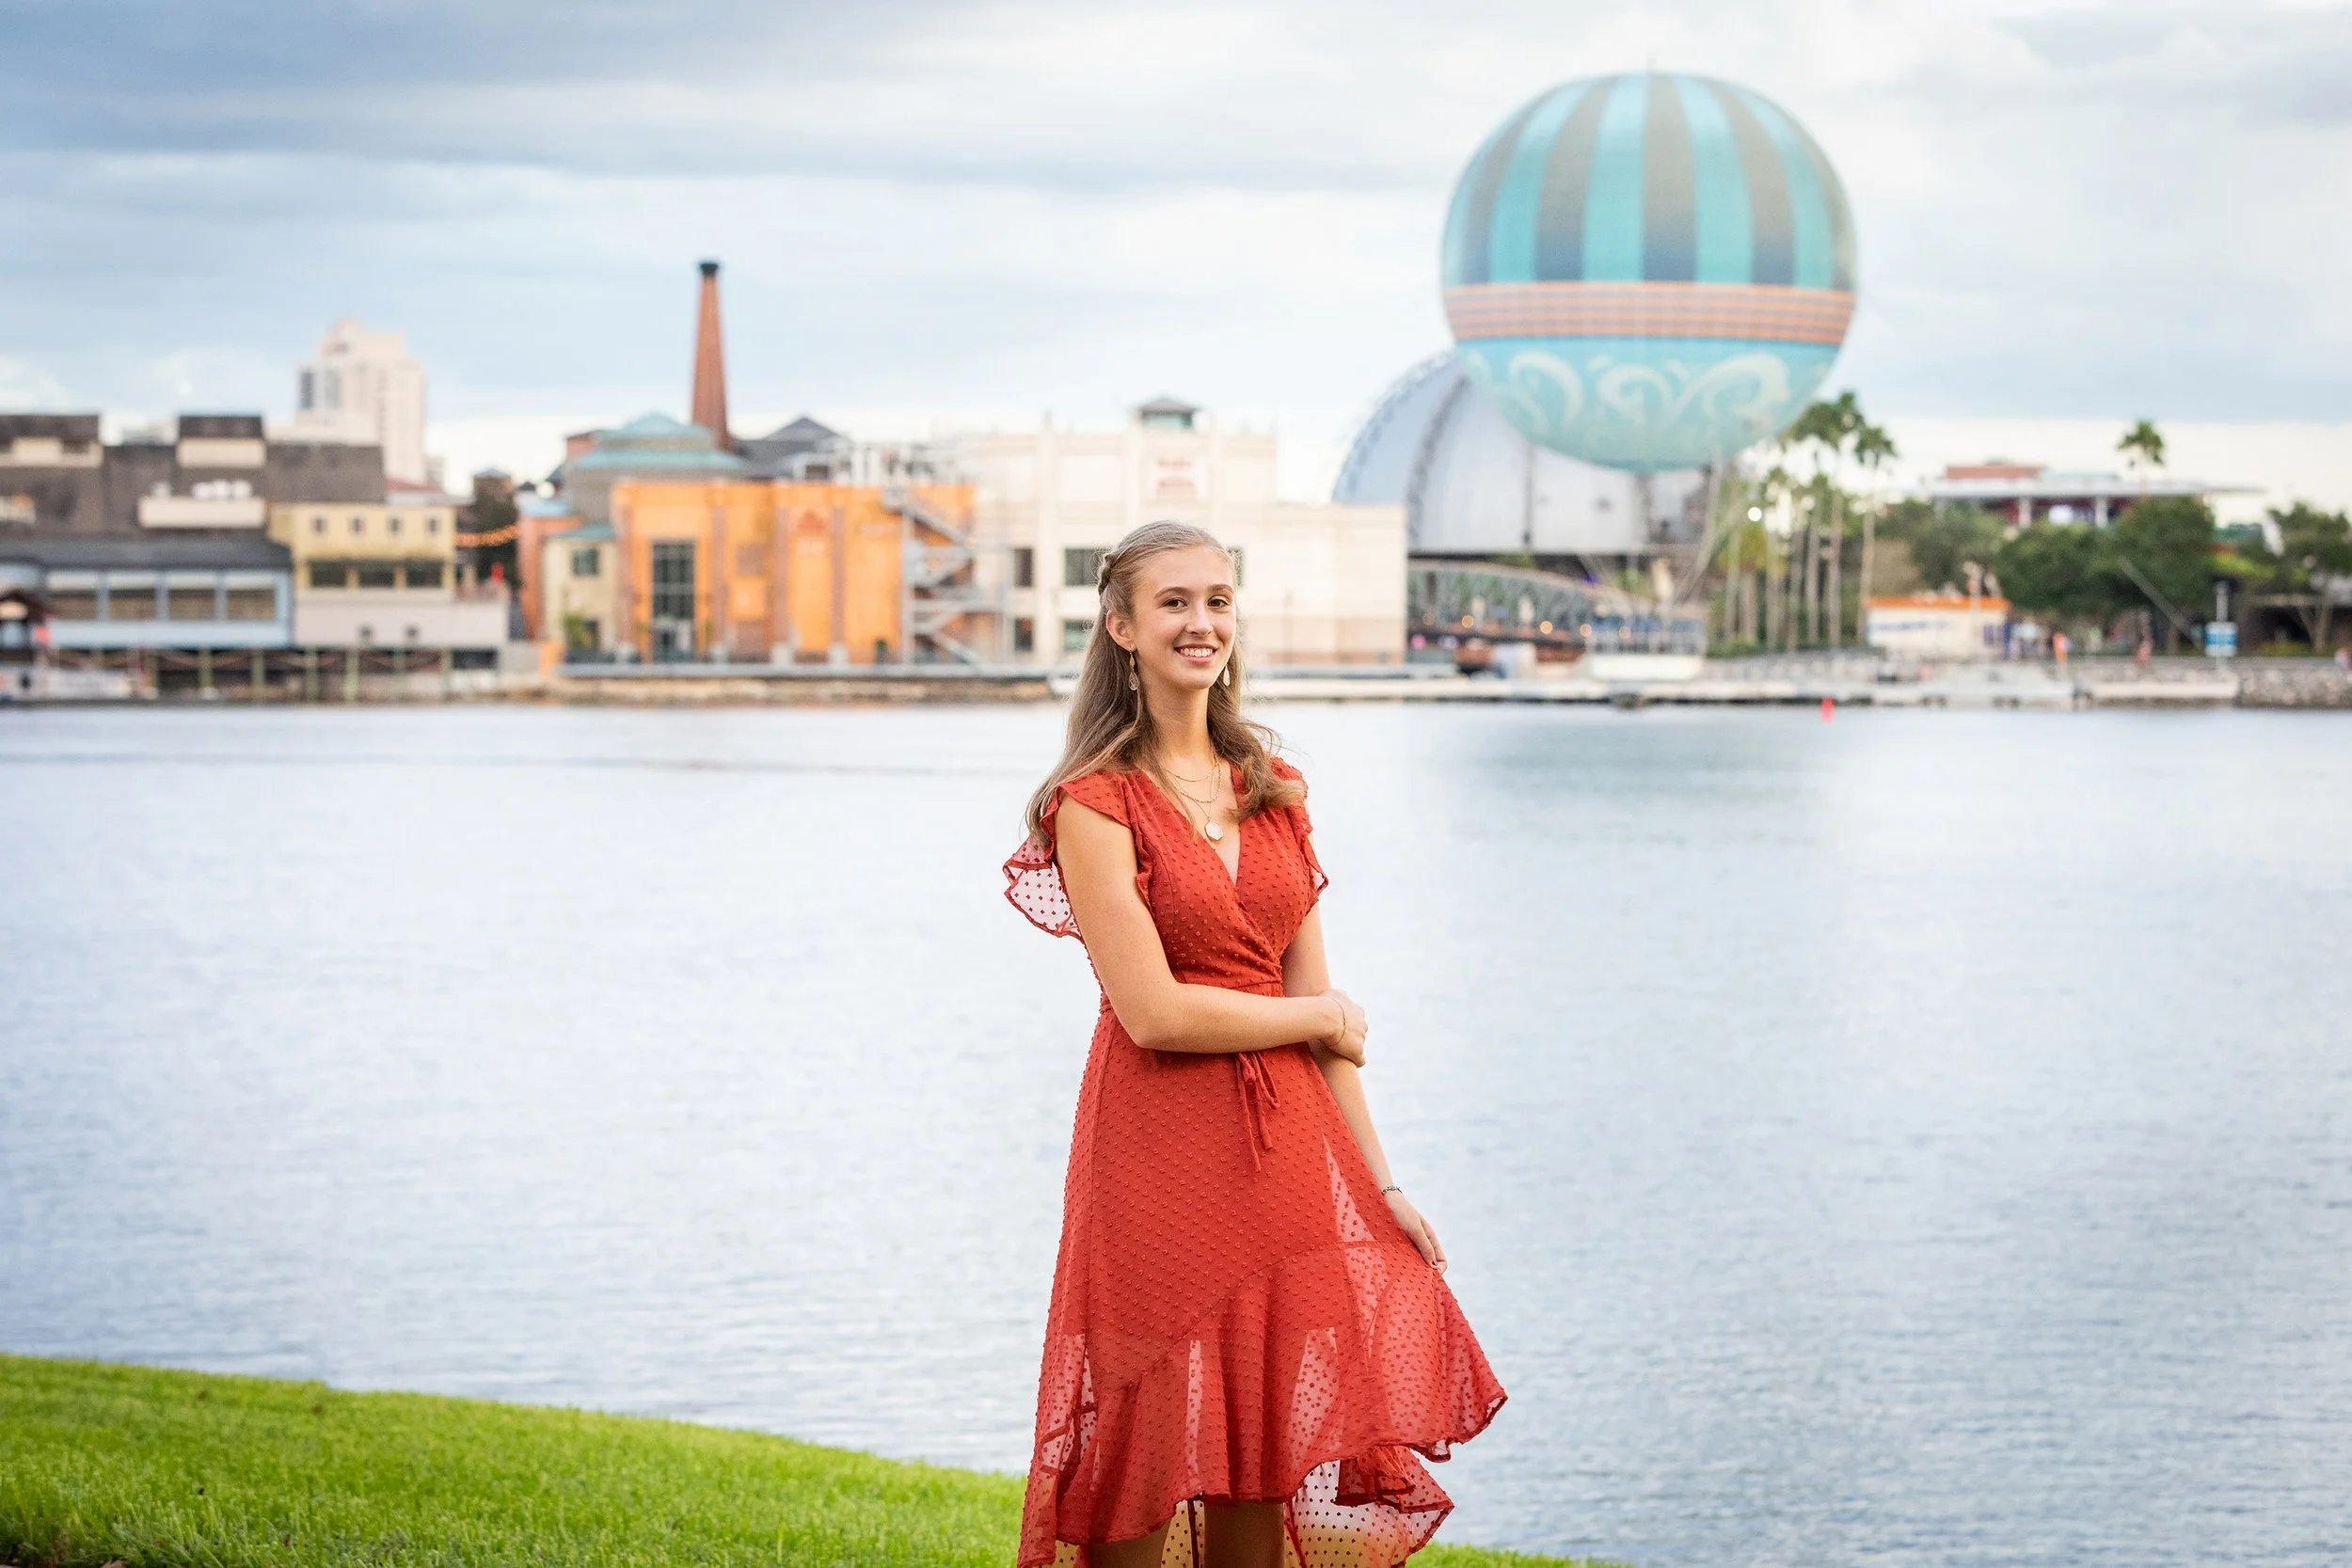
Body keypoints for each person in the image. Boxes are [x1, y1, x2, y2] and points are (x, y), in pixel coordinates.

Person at [1003, 521, 1504, 1568]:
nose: (1201, 622)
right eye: (1175, 601)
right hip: (1152, 1156)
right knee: (1132, 1467)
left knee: (1263, 1451)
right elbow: (1155, 1011)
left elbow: (1317, 1002)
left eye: (1218, 600)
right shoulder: (1092, 802)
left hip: (1283, 1166)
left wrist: (1379, 1182)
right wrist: (1313, 1018)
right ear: (1122, 625)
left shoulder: (1273, 786)